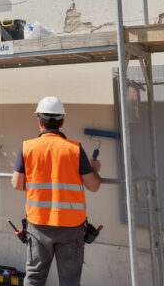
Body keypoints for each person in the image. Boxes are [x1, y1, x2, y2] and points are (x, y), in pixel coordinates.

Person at [11, 96, 102, 286]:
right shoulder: (75, 150)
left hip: (38, 224)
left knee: (34, 279)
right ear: (62, 122)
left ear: (39, 121)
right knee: (70, 281)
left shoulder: (26, 148)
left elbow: (17, 184)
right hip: (71, 227)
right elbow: (93, 186)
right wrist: (94, 169)